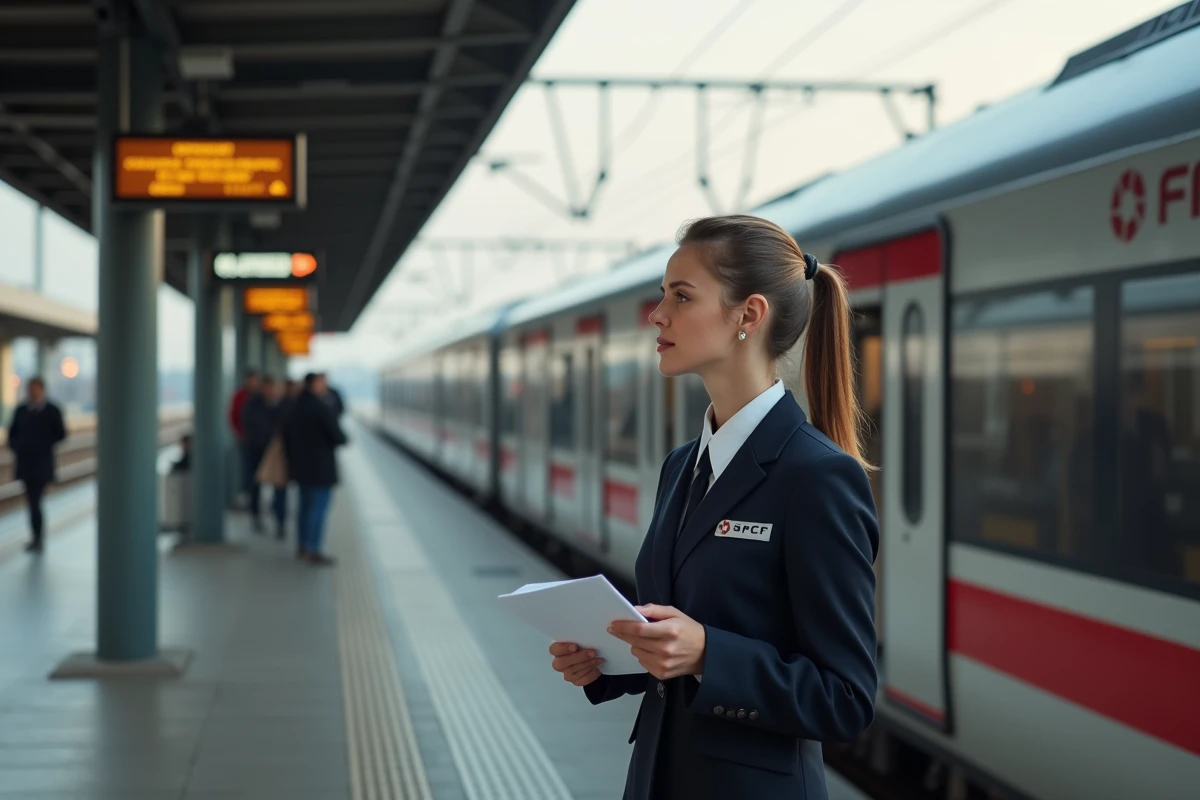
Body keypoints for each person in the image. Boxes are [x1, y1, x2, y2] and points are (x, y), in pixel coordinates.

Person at [548, 215, 879, 800]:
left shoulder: (818, 477)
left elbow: (845, 699)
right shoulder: (681, 466)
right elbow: (676, 637)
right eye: (663, 295)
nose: (658, 315)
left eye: (681, 296)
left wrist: (708, 654)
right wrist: (608, 662)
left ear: (748, 315)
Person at [282, 372, 347, 565]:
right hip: (321, 468)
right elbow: (339, 437)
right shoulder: (321, 407)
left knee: (304, 507)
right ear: (314, 384)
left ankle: (302, 545)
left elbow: (285, 436)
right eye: (322, 383)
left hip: (300, 467)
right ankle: (314, 550)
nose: (325, 386)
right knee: (318, 509)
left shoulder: (294, 406)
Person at [6, 377, 67, 553]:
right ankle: (37, 536)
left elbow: (61, 434)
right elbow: (12, 434)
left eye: (35, 389)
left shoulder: (52, 410)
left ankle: (37, 536)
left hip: (42, 464)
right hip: (25, 463)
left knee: (35, 500)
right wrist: (18, 446)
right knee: (32, 500)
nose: (32, 392)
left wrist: (43, 443)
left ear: (42, 389)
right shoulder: (21, 410)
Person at [241, 377, 288, 537]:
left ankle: (280, 522)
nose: (271, 391)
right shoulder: (253, 405)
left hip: (276, 452)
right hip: (256, 450)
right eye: (268, 388)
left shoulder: (281, 405)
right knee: (255, 485)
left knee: (280, 486)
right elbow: (248, 425)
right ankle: (256, 516)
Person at [227, 369, 260, 506]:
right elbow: (233, 416)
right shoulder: (240, 396)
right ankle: (250, 498)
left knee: (258, 472)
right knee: (248, 470)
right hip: (246, 440)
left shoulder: (260, 396)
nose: (252, 383)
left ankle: (254, 499)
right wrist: (240, 434)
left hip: (261, 440)